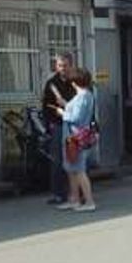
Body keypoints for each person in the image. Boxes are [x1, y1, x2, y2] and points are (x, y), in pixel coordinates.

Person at [54, 67, 97, 213]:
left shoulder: (83, 96)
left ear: (74, 82)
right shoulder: (86, 95)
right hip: (75, 137)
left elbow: (75, 117)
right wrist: (66, 105)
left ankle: (89, 201)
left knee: (78, 170)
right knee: (72, 169)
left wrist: (62, 113)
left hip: (76, 137)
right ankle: (75, 199)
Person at [42, 53, 77, 207]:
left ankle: (76, 193)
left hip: (74, 124)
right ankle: (58, 194)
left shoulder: (76, 81)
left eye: (65, 65)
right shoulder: (51, 83)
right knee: (58, 161)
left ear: (71, 65)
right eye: (60, 65)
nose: (63, 68)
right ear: (56, 66)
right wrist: (50, 122)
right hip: (58, 124)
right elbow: (46, 105)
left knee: (75, 159)